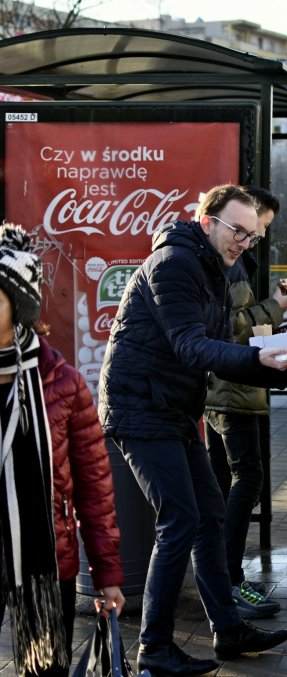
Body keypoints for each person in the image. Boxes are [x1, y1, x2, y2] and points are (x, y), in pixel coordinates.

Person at [98, 185, 287, 675]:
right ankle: (154, 649)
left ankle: (228, 629)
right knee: (179, 522)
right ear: (207, 220)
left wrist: (279, 368)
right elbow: (193, 347)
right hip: (139, 406)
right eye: (238, 231)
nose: (244, 243)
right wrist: (260, 358)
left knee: (209, 512)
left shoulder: (219, 267)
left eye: (252, 237)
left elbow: (218, 351)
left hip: (173, 407)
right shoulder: (174, 263)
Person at [0, 224, 125, 677]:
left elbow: (94, 488)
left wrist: (107, 574)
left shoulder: (63, 383)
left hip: (47, 562)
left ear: (20, 308)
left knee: (46, 672)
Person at [204, 186, 287, 620]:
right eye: (255, 229)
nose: (255, 238)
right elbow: (231, 327)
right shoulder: (227, 263)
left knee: (223, 482)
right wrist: (274, 308)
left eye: (260, 233)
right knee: (246, 478)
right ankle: (229, 577)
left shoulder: (236, 261)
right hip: (230, 390)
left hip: (233, 387)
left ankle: (220, 577)